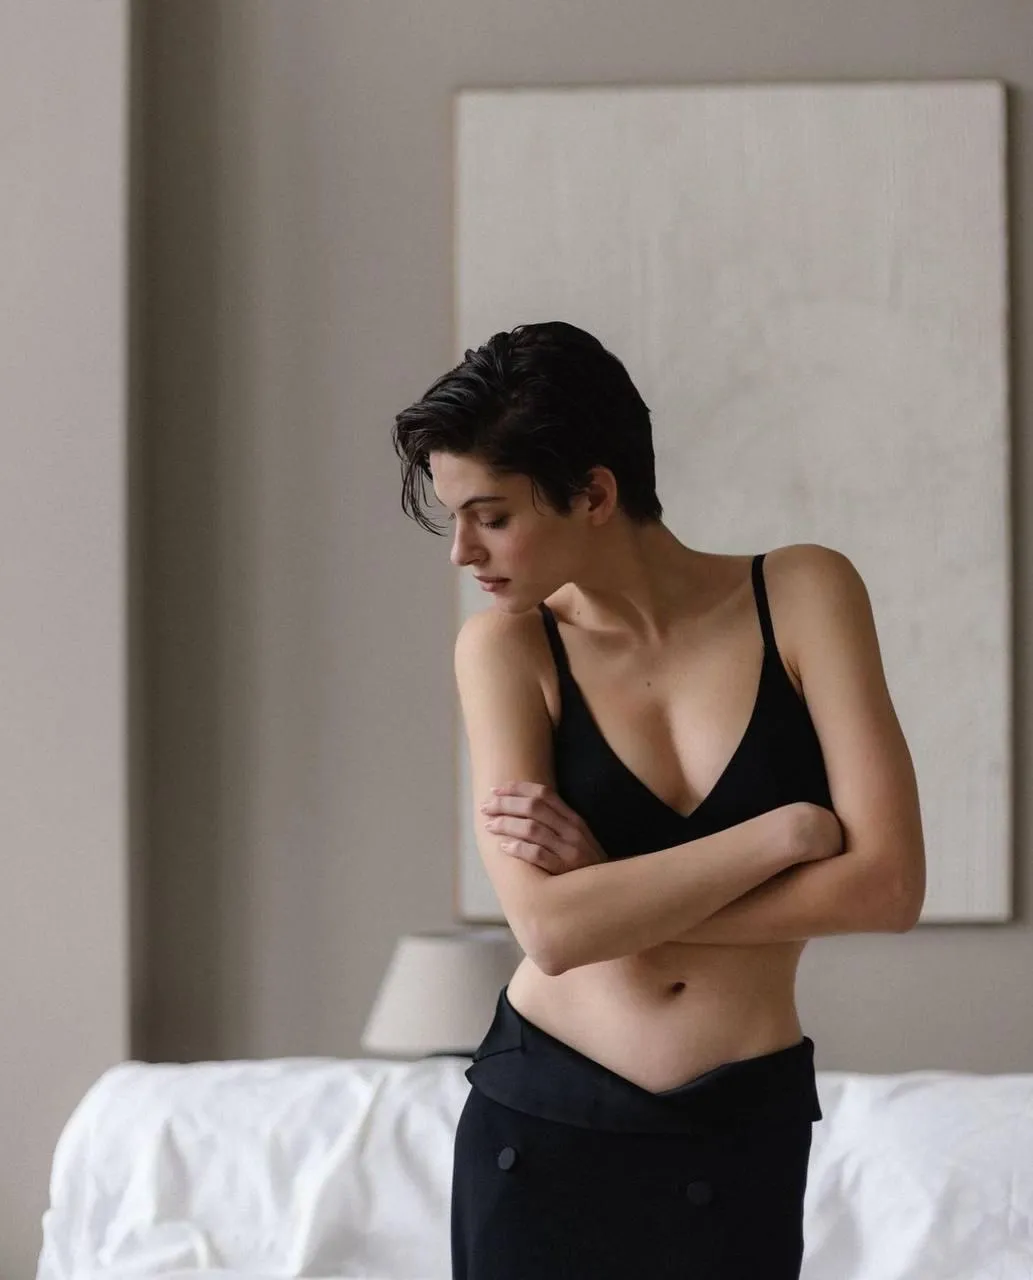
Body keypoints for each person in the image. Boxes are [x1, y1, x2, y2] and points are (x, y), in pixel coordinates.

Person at [391, 320, 925, 1279]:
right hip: (536, 1121)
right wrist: (782, 834)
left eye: (492, 514)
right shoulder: (505, 648)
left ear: (594, 492)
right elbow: (551, 933)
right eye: (454, 517)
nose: (463, 552)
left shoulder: (802, 593)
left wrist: (617, 895)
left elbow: (885, 890)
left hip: (737, 1124)